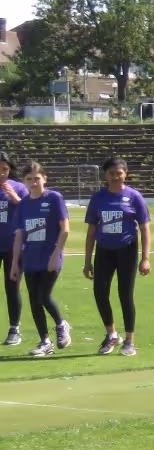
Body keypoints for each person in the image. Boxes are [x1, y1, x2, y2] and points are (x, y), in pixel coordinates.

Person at [81, 157, 152, 357]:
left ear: (125, 174)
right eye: (111, 173)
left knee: (125, 294)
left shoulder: (134, 196)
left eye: (119, 173)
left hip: (127, 250)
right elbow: (91, 231)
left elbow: (145, 228)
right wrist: (87, 261)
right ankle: (111, 334)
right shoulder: (98, 198)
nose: (115, 177)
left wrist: (145, 258)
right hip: (104, 250)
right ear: (105, 175)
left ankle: (129, 341)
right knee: (100, 292)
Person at [8, 162, 71, 357]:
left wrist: (56, 255)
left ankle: (62, 325)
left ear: (45, 178)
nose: (34, 182)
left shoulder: (54, 198)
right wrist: (14, 264)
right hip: (31, 259)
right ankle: (45, 342)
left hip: (50, 257)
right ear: (24, 182)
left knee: (43, 296)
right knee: (34, 302)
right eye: (29, 179)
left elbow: (65, 229)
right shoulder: (24, 204)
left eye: (37, 178)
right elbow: (19, 236)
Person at [0, 153, 25, 346]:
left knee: (12, 287)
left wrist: (15, 197)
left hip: (13, 247)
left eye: (5, 169)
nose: (1, 173)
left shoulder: (18, 188)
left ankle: (14, 329)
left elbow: (31, 209)